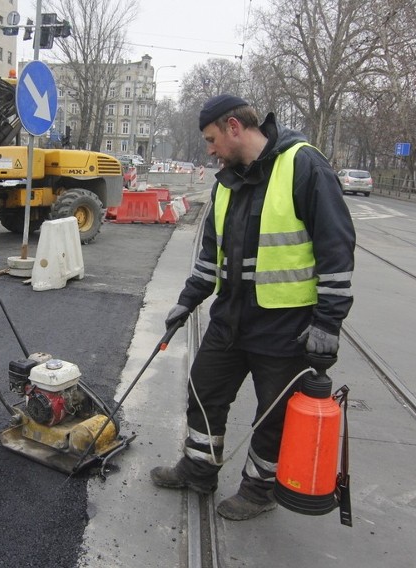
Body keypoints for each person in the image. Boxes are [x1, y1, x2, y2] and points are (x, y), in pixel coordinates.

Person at [150, 94, 356, 520]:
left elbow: (336, 248)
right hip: (231, 318)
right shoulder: (227, 181)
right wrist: (187, 301)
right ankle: (199, 469)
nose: (209, 149)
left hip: (286, 324)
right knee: (205, 388)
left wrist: (328, 323)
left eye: (211, 139)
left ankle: (259, 490)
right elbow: (210, 255)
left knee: (273, 413)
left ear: (233, 127)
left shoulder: (303, 165)